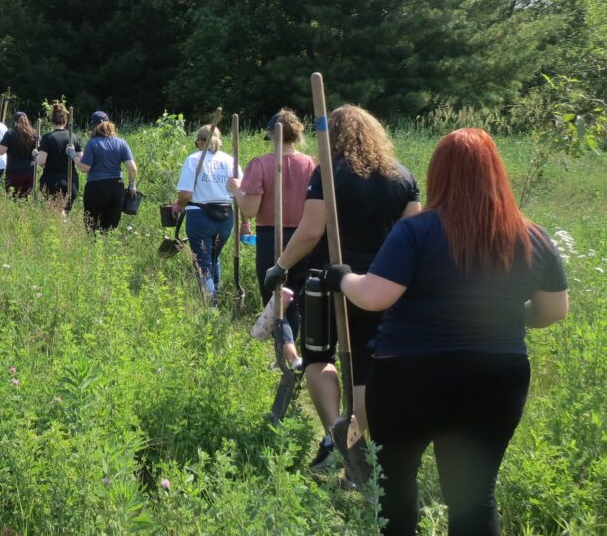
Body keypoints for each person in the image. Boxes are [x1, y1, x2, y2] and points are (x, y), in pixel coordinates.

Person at [320, 128, 568, 535]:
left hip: (409, 378)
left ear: (439, 174)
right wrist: (490, 313)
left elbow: (375, 296)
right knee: (475, 496)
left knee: (396, 489)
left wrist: (343, 278)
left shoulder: (417, 231)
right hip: (495, 379)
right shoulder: (531, 235)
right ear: (496, 174)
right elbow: (553, 310)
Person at [264, 105, 421, 470]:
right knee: (367, 368)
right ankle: (345, 438)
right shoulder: (402, 177)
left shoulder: (329, 174)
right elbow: (413, 236)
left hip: (327, 282)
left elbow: (312, 230)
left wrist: (280, 266)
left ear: (331, 137)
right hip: (380, 285)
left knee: (319, 358)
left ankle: (333, 436)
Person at [227, 109, 316, 368]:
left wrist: (235, 191)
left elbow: (250, 210)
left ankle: (289, 357)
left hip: (272, 237)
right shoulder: (311, 164)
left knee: (274, 298)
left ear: (270, 135)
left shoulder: (262, 164)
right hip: (305, 238)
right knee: (295, 298)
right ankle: (288, 356)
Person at [171, 125, 240, 305]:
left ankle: (210, 310)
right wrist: (246, 222)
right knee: (213, 259)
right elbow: (241, 191)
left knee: (203, 263)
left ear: (201, 141)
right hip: (226, 217)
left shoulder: (194, 159)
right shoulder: (231, 160)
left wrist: (178, 205)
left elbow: (185, 194)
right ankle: (215, 297)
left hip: (200, 217)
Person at [69, 111, 137, 232]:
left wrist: (73, 154)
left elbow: (84, 168)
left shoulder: (92, 143)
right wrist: (132, 186)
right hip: (117, 187)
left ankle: (93, 250)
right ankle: (107, 250)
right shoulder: (121, 143)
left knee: (92, 227)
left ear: (93, 126)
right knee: (110, 228)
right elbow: (132, 168)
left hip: (96, 187)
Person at [37, 103, 81, 211]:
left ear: (51, 122)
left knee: (55, 214)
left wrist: (35, 155)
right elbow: (81, 160)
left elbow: (42, 161)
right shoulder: (74, 138)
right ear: (65, 122)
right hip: (71, 181)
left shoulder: (47, 138)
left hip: (52, 182)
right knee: (65, 214)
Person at [0, 111, 38, 199]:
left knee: (12, 198)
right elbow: (40, 151)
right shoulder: (34, 134)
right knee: (27, 199)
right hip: (30, 171)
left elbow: (0, 151)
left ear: (14, 121)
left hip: (13, 172)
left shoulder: (10, 133)